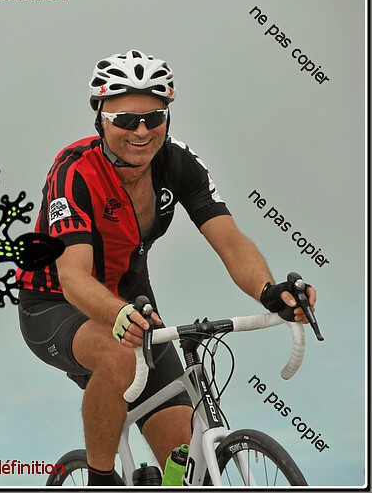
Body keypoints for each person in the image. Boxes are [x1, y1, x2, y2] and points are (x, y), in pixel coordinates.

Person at [16, 50, 317, 486]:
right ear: (100, 118)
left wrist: (271, 292)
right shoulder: (74, 172)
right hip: (56, 303)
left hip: (133, 303)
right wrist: (119, 314)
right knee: (118, 355)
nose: (141, 131)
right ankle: (101, 479)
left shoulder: (178, 163)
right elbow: (74, 277)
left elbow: (231, 243)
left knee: (187, 465)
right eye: (125, 120)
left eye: (153, 118)